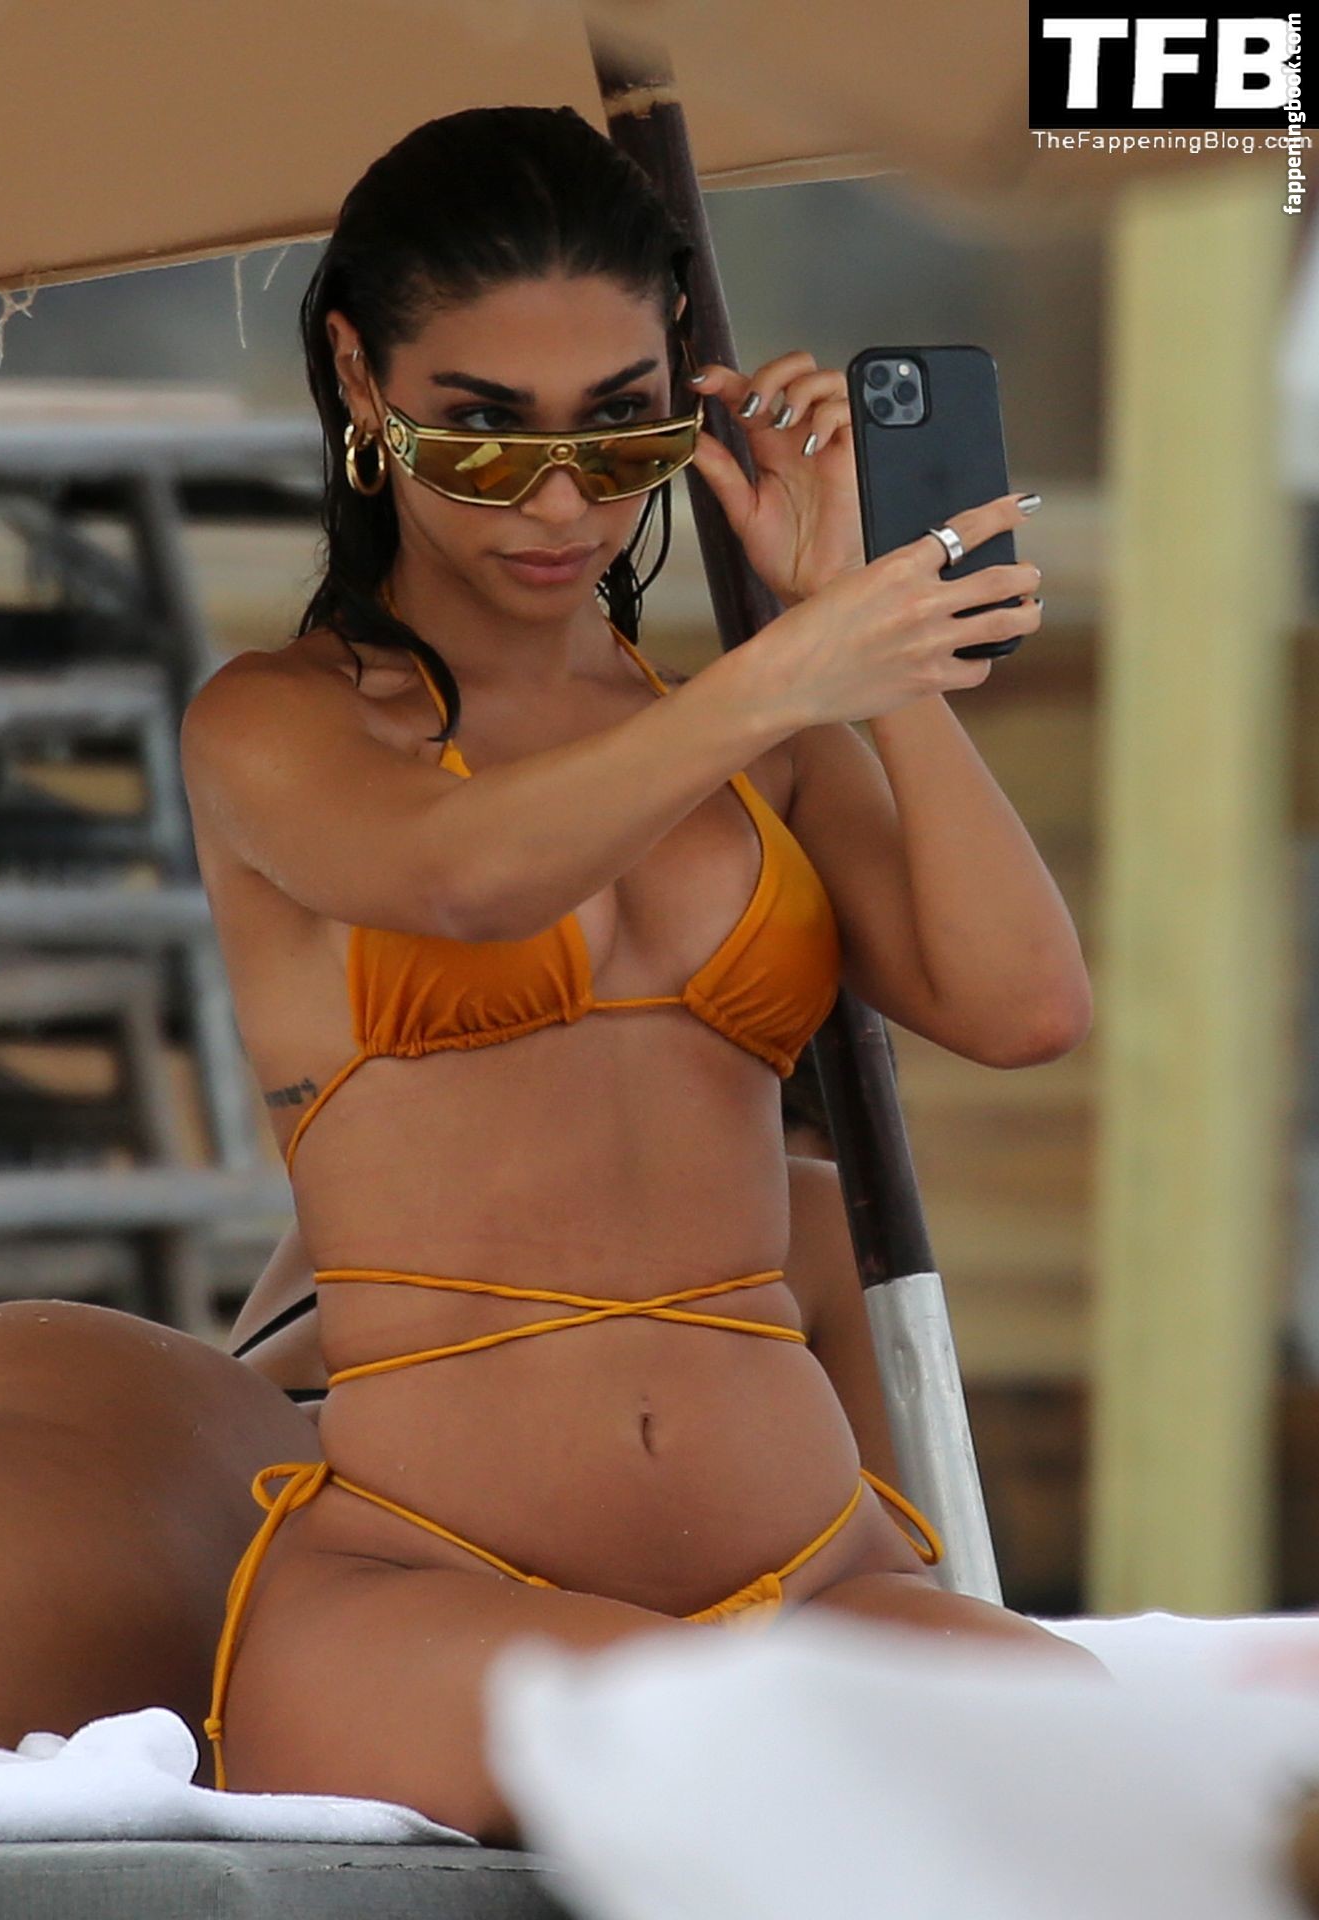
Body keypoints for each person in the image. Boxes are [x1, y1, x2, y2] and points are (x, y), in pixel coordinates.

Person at [174, 102, 1099, 1843]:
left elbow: (1022, 1007)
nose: (559, 500)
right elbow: (464, 878)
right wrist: (783, 676)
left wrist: (869, 639)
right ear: (360, 377)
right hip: (428, 1592)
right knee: (766, 1776)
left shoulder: (758, 733)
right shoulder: (278, 725)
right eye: (481, 434)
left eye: (622, 430)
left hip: (810, 1576)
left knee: (1134, 1784)